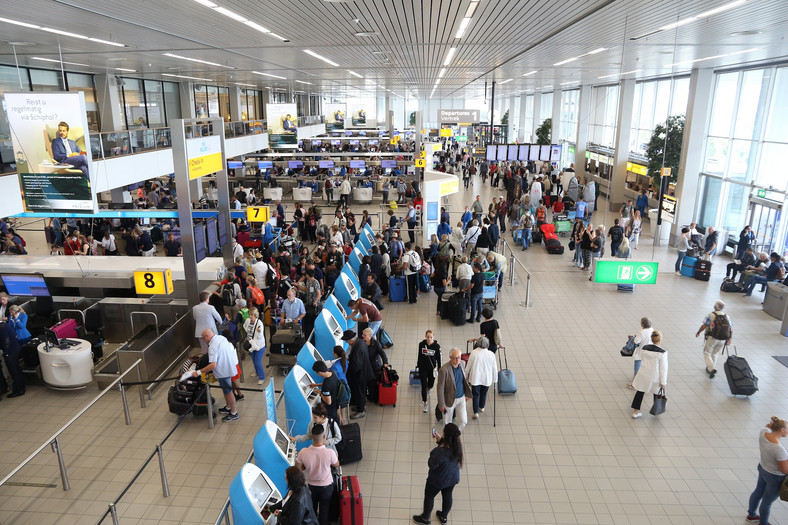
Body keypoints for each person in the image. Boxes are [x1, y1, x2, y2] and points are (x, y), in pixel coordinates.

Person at [412, 423, 464, 525]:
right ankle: (443, 517)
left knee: (429, 496)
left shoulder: (440, 452)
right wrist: (440, 441)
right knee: (448, 495)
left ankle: (425, 518)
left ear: (445, 434)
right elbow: (448, 451)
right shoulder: (457, 446)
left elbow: (432, 464)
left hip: (438, 480)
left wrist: (439, 446)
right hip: (452, 478)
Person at [745, 416, 788, 525]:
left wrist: (771, 425)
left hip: (763, 468)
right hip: (775, 477)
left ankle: (751, 515)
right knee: (767, 501)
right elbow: (784, 470)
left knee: (758, 491)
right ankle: (763, 523)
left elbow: (767, 427)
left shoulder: (763, 433)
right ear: (781, 430)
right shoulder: (779, 450)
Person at [295, 424, 339, 525]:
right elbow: (336, 464)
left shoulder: (303, 452)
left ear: (311, 436)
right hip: (327, 486)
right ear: (323, 436)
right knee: (324, 508)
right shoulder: (330, 452)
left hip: (311, 486)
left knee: (312, 507)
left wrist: (306, 465)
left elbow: (298, 468)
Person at [191, 329, 239, 421]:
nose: (203, 340)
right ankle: (228, 407)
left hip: (223, 371)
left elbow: (213, 365)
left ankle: (234, 412)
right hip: (228, 367)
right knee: (226, 391)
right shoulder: (221, 338)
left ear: (207, 337)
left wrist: (199, 372)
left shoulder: (212, 346)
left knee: (228, 392)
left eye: (203, 338)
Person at [630, 330, 668, 419]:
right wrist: (663, 382)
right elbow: (663, 369)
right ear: (660, 341)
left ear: (652, 339)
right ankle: (656, 410)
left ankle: (635, 412)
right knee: (656, 393)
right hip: (655, 376)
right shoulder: (663, 353)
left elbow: (642, 358)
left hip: (643, 373)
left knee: (640, 392)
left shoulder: (645, 348)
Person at [436, 348, 472, 431]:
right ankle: (447, 438)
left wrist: (466, 394)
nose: (457, 360)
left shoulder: (462, 363)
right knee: (448, 422)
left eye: (459, 357)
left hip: (461, 398)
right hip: (449, 400)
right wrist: (441, 404)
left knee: (464, 421)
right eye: (455, 358)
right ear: (450, 357)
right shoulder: (444, 370)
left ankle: (455, 434)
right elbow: (440, 388)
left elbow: (465, 380)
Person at [695, 300, 732, 379]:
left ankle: (711, 368)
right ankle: (710, 369)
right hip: (723, 339)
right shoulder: (727, 316)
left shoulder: (711, 315)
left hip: (713, 338)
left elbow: (705, 325)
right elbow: (730, 328)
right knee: (715, 353)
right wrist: (729, 339)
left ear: (715, 307)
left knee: (707, 353)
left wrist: (698, 332)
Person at [342, 330, 373, 419]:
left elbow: (356, 366)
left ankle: (361, 411)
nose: (346, 342)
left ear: (351, 340)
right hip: (365, 371)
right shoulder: (360, 342)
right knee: (361, 391)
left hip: (360, 375)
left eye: (347, 341)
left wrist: (348, 368)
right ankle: (361, 406)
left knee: (360, 392)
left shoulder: (357, 348)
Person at [464, 336, 497, 420]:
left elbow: (468, 366)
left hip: (475, 378)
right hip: (487, 379)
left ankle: (476, 412)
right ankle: (481, 407)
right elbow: (494, 368)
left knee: (475, 394)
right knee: (484, 393)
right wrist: (495, 380)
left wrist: (465, 376)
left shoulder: (474, 353)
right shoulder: (491, 354)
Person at [626, 317, 654, 390]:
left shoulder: (641, 332)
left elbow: (636, 342)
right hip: (649, 351)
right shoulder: (652, 330)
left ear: (642, 324)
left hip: (641, 352)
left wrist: (632, 338)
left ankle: (635, 384)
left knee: (637, 367)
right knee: (646, 365)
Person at [0, 320, 25, 398]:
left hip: (11, 352)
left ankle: (18, 390)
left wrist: (6, 353)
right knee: (16, 370)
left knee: (14, 371)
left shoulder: (2, 328)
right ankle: (20, 388)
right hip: (14, 349)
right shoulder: (3, 325)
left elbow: (6, 340)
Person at [243, 307, 266, 385]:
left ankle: (262, 377)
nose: (250, 316)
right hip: (251, 344)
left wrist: (259, 332)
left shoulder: (259, 323)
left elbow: (260, 337)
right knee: (253, 359)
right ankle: (257, 372)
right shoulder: (247, 321)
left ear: (256, 315)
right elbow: (245, 327)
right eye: (250, 315)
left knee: (258, 361)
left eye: (252, 315)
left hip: (259, 346)